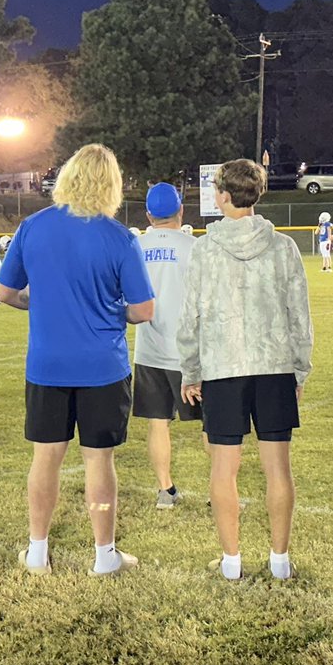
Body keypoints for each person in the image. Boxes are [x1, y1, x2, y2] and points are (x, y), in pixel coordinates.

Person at [0, 144, 155, 578]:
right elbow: (143, 311)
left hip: (47, 364)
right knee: (99, 461)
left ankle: (36, 552)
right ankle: (104, 556)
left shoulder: (33, 227)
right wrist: (107, 309)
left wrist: (41, 302)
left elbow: (5, 292)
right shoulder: (119, 237)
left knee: (44, 457)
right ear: (112, 185)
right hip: (102, 366)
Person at [178, 159, 311, 582]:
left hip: (222, 368)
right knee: (278, 468)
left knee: (223, 468)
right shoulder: (283, 247)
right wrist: (299, 371)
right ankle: (279, 560)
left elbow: (190, 317)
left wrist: (190, 370)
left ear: (222, 196)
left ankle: (232, 561)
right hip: (273, 368)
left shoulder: (204, 248)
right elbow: (299, 317)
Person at [132, 182, 200, 509]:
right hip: (189, 352)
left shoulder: (135, 246)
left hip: (148, 347)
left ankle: (165, 490)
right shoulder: (193, 246)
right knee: (211, 422)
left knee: (158, 421)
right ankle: (220, 489)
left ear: (148, 214)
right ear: (181, 211)